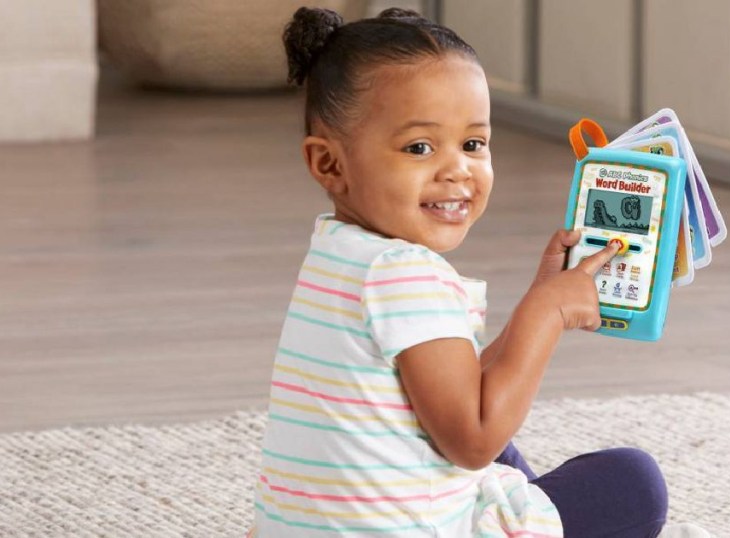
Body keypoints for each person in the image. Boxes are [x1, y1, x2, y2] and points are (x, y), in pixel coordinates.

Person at [251, 7, 668, 537]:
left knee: (498, 441)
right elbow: (472, 441)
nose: (457, 170)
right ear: (329, 164)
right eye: (419, 147)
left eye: (473, 144)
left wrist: (538, 292)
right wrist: (547, 312)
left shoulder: (336, 255)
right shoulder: (407, 274)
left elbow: (448, 390)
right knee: (632, 482)